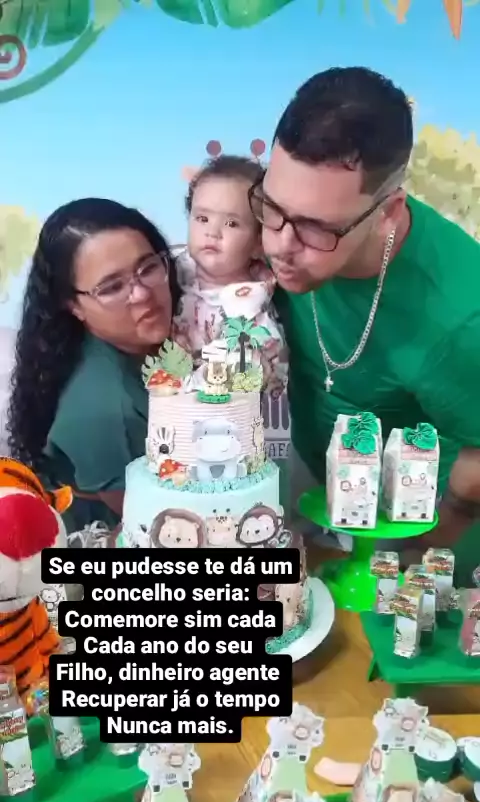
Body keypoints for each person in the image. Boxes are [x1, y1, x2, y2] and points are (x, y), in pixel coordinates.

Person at [248, 67, 480, 578]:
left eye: (316, 229)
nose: (280, 246)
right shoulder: (278, 232)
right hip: (333, 499)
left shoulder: (462, 317)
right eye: (272, 207)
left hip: (427, 529)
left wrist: (417, 553)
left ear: (388, 212)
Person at [7, 198, 180, 533]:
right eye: (112, 287)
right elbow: (163, 525)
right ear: (74, 305)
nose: (142, 294)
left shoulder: (175, 331)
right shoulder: (104, 409)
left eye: (148, 268)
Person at [172, 154, 287, 396]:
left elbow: (260, 373)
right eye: (202, 218)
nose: (212, 232)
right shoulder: (173, 275)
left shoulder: (250, 305)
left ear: (259, 242)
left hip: (227, 409)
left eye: (232, 223)